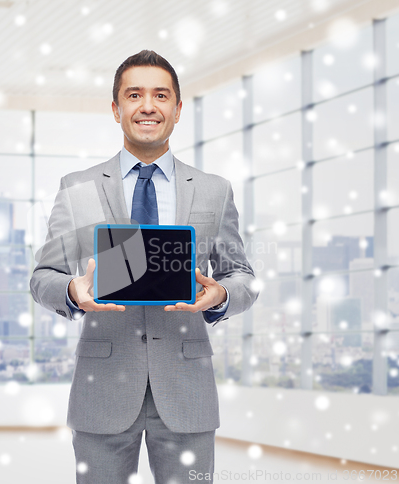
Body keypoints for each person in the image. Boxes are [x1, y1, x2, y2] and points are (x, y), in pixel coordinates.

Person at [30, 50, 259, 484]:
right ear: (117, 110)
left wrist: (222, 295)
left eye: (160, 95)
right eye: (134, 95)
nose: (147, 106)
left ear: (176, 109)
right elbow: (43, 277)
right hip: (102, 389)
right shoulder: (77, 188)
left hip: (187, 390)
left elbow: (241, 274)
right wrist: (73, 292)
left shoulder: (213, 191)